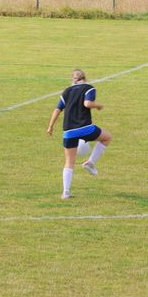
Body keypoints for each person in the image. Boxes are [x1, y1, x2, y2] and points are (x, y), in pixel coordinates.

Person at [46, 69, 112, 200]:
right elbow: (87, 103)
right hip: (85, 127)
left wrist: (50, 126)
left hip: (68, 131)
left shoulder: (67, 91)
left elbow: (58, 109)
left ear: (73, 80)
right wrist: (99, 106)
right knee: (107, 137)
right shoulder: (89, 88)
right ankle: (90, 163)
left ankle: (65, 192)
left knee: (69, 162)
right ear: (84, 79)